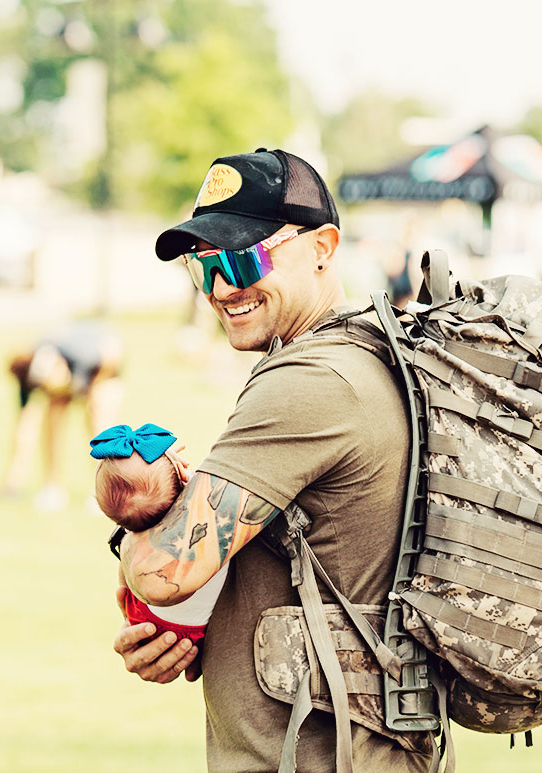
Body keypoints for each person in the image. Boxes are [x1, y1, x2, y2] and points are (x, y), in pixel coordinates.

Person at [112, 149, 427, 771]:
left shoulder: (312, 382)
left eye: (244, 257)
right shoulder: (367, 352)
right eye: (203, 267)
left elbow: (159, 571)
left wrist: (136, 541)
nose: (223, 287)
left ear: (322, 247)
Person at [91, 423, 227, 647]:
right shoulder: (205, 519)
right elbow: (211, 500)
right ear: (183, 478)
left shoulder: (130, 538)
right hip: (200, 624)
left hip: (148, 622)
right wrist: (191, 484)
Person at [2, 321, 125, 511]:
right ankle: (52, 486)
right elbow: (24, 424)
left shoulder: (83, 355)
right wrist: (13, 479)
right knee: (54, 411)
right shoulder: (28, 370)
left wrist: (92, 388)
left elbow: (112, 353)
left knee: (98, 414)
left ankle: (105, 490)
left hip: (104, 369)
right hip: (77, 370)